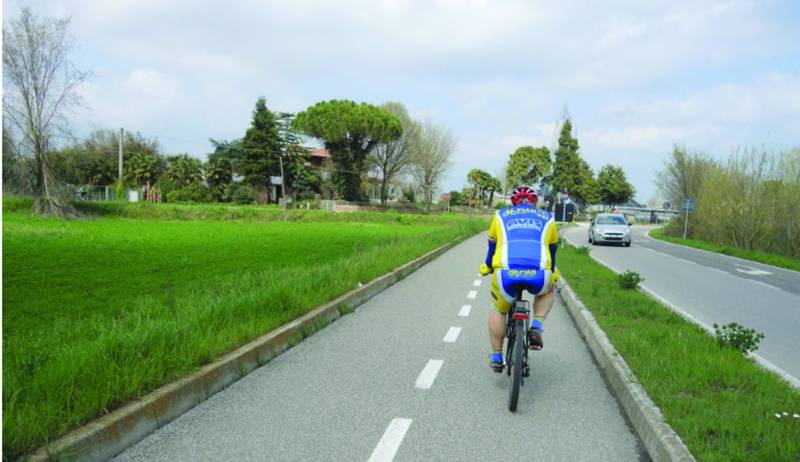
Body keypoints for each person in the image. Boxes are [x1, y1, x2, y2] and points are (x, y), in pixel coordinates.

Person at [479, 185, 559, 373]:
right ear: (535, 202)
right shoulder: (548, 218)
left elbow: (492, 246)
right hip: (539, 272)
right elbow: (553, 250)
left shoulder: (500, 215)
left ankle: (497, 356)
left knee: (499, 309)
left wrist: (488, 266)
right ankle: (536, 327)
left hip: (505, 271)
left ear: (513, 202)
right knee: (547, 292)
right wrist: (553, 272)